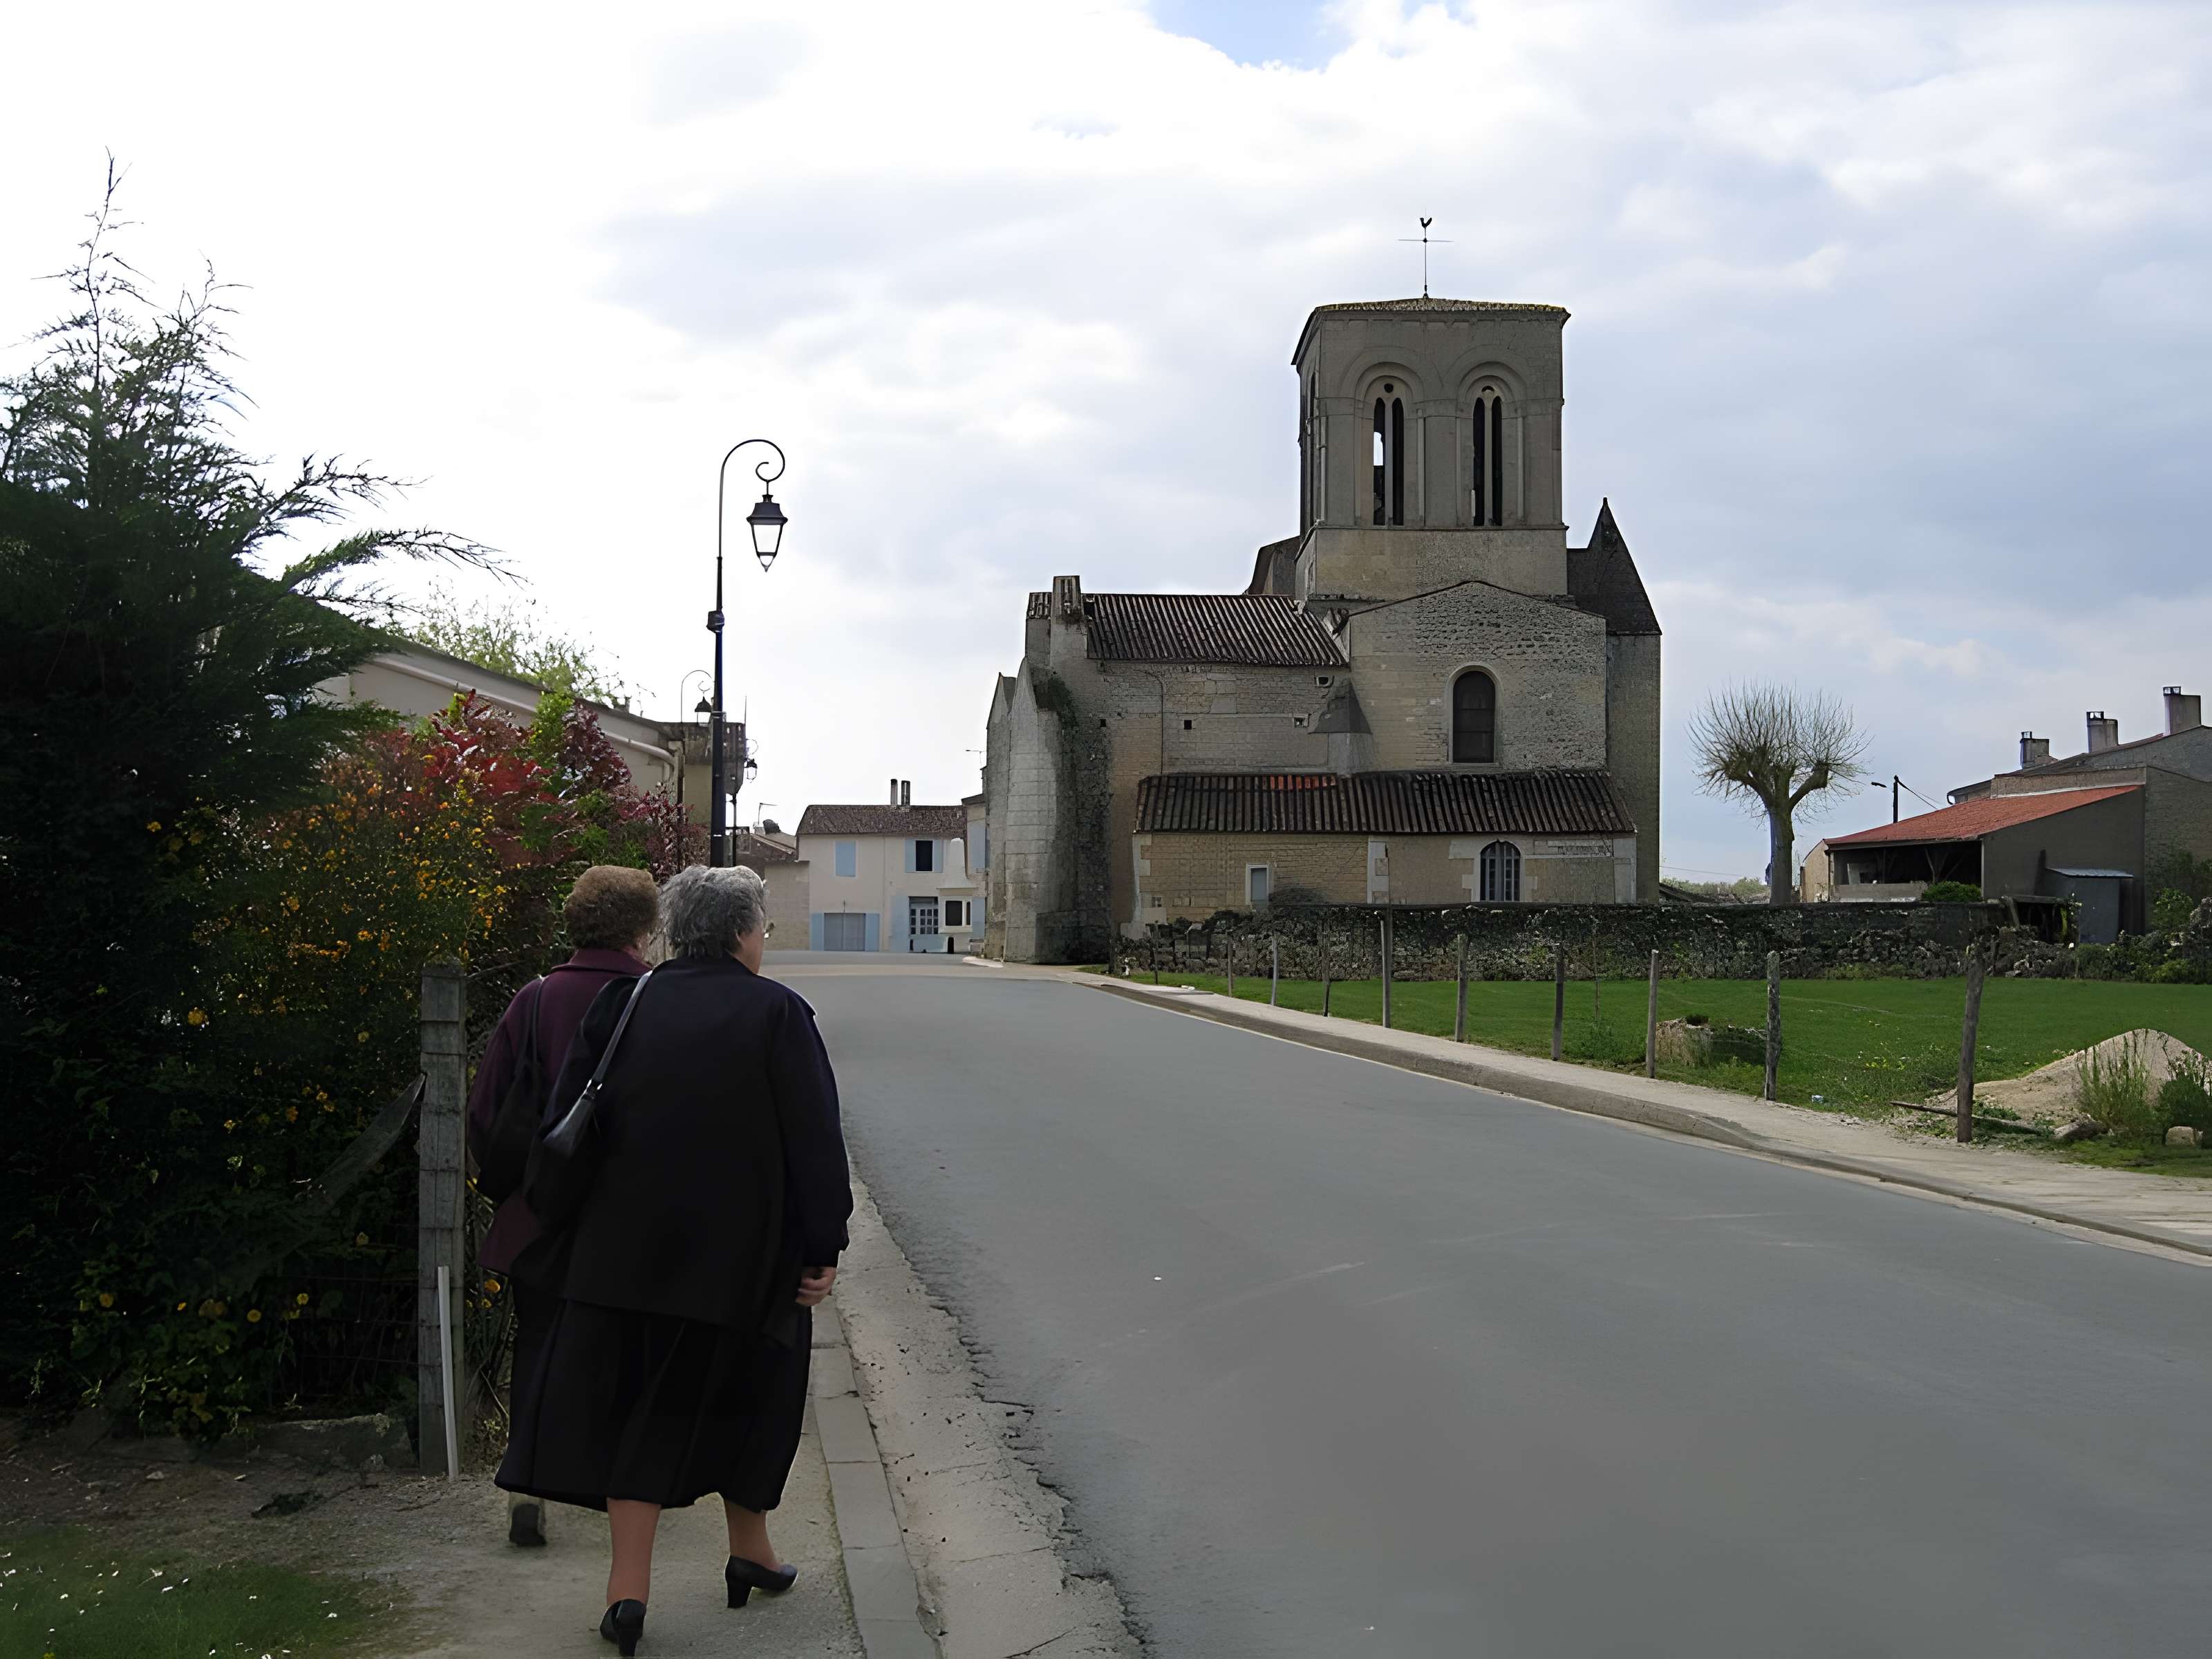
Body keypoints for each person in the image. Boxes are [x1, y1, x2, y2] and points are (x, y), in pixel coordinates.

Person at [497, 865, 852, 1657]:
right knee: (754, 1400)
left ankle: (632, 1591)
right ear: (740, 932)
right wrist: (821, 1245)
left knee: (639, 1413)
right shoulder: (778, 1014)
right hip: (743, 1263)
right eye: (761, 927)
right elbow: (814, 1143)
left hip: (620, 1258)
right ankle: (745, 1550)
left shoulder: (623, 1005)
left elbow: (564, 1121)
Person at [465, 864, 659, 1548]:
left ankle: (528, 1486)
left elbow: (486, 1111)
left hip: (541, 1212)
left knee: (539, 1346)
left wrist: (520, 1183)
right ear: (643, 929)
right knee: (634, 1354)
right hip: (635, 1217)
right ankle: (626, 1491)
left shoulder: (536, 998)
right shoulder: (656, 999)